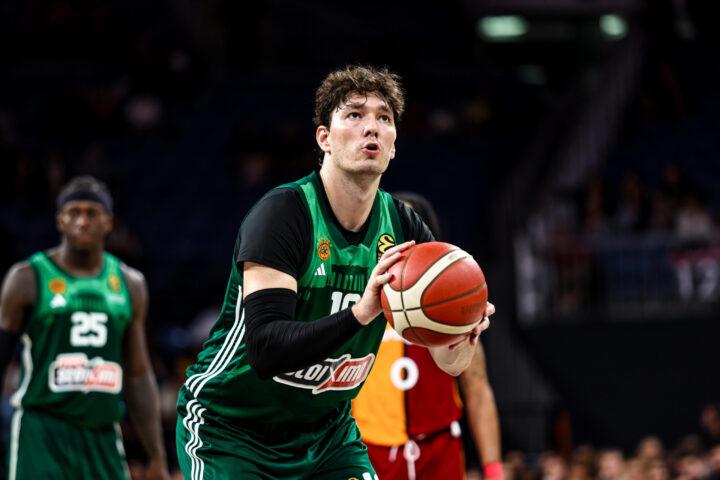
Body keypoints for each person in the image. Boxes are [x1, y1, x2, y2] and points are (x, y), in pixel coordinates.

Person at [175, 65, 495, 479]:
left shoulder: (405, 228)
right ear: (324, 138)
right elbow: (266, 349)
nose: (372, 127)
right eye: (355, 114)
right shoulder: (283, 214)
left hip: (326, 435)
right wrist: (360, 313)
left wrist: (461, 336)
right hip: (233, 430)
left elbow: (448, 363)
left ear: (394, 146)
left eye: (384, 118)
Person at [0, 176, 170, 480]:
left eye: (92, 213)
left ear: (109, 222)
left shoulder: (130, 284)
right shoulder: (26, 278)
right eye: (74, 212)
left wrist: (156, 454)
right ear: (60, 221)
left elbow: (138, 373)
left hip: (102, 435)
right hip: (41, 432)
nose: (82, 221)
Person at [352, 192, 503, 480]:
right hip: (370, 449)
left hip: (438, 448)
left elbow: (477, 388)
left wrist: (493, 470)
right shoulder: (357, 300)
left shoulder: (449, 304)